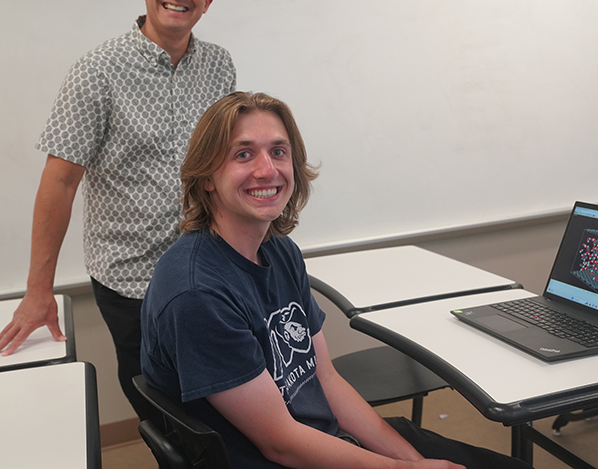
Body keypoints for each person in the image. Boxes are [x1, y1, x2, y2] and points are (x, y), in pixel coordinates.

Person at [140, 91, 532, 468]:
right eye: (244, 154)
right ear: (207, 177)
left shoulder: (280, 250)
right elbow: (281, 444)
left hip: (324, 439)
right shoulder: (196, 293)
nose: (268, 170)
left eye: (279, 152)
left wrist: (413, 461)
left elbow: (324, 377)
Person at [0, 0, 236, 424]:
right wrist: (39, 289)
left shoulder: (219, 66)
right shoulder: (98, 71)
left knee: (221, 396)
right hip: (132, 280)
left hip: (206, 266)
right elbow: (59, 183)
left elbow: (224, 163)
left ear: (207, 0)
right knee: (165, 409)